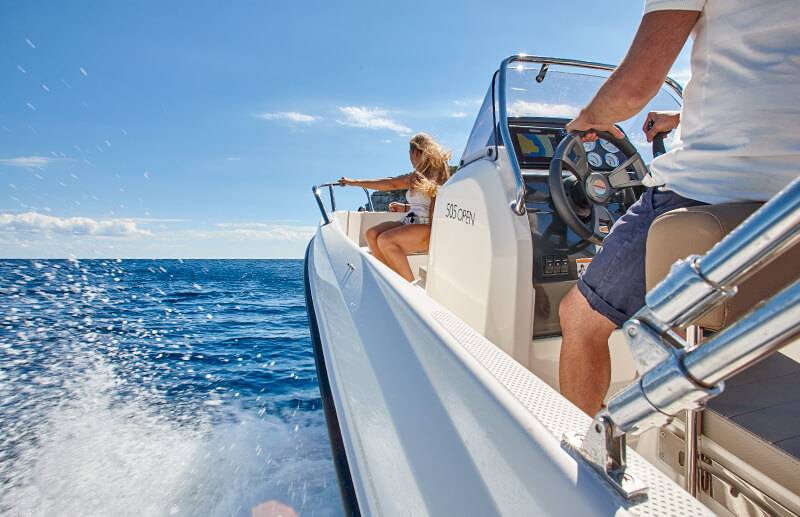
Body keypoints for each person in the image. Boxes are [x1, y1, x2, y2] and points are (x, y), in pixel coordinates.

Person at [558, 0, 800, 416]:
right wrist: (682, 116)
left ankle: (586, 445)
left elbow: (633, 88)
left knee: (579, 317)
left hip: (706, 189)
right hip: (787, 201)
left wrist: (588, 119)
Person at [338, 133, 451, 281]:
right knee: (371, 234)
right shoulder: (419, 175)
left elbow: (390, 184)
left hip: (428, 226)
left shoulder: (435, 174)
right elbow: (422, 203)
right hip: (412, 220)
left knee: (385, 240)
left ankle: (409, 286)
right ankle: (391, 280)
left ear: (416, 152)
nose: (410, 158)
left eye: (410, 153)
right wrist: (405, 207)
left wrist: (354, 182)